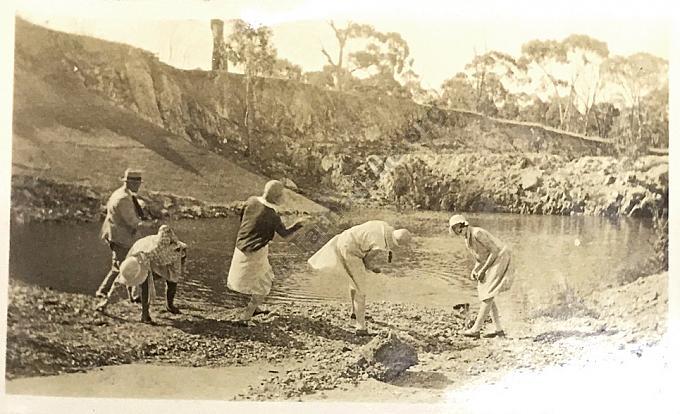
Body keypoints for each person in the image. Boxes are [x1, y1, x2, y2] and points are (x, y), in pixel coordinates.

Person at [308, 220, 412, 336]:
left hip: (345, 238)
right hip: (350, 249)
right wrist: (374, 268)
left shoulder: (383, 225)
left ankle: (355, 313)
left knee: (355, 281)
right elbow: (367, 261)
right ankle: (360, 327)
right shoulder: (380, 244)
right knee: (360, 289)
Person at [227, 180, 306, 325]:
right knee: (264, 283)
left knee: (253, 280)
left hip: (241, 247)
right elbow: (286, 235)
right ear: (277, 196)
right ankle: (245, 318)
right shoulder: (271, 214)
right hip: (255, 251)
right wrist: (299, 224)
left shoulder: (251, 201)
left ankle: (254, 308)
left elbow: (243, 219)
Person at [105, 225, 187, 323]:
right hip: (142, 257)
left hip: (161, 259)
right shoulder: (147, 250)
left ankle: (169, 305)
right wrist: (107, 301)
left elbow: (174, 276)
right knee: (143, 282)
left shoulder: (177, 250)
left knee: (172, 280)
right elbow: (123, 277)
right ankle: (144, 315)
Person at [448, 215, 513, 339]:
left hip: (502, 257)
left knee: (488, 294)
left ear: (463, 225)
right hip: (493, 259)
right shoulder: (467, 239)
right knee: (486, 292)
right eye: (455, 229)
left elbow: (494, 251)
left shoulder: (477, 233)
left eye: (458, 227)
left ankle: (476, 329)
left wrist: (483, 270)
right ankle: (499, 329)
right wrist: (476, 269)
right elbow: (481, 257)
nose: (458, 231)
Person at [96, 169, 154, 303]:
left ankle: (105, 291)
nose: (139, 186)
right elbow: (132, 222)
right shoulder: (123, 199)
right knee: (127, 265)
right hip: (122, 237)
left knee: (120, 265)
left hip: (116, 234)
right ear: (131, 183)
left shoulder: (123, 194)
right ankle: (110, 293)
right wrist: (150, 225)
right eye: (138, 183)